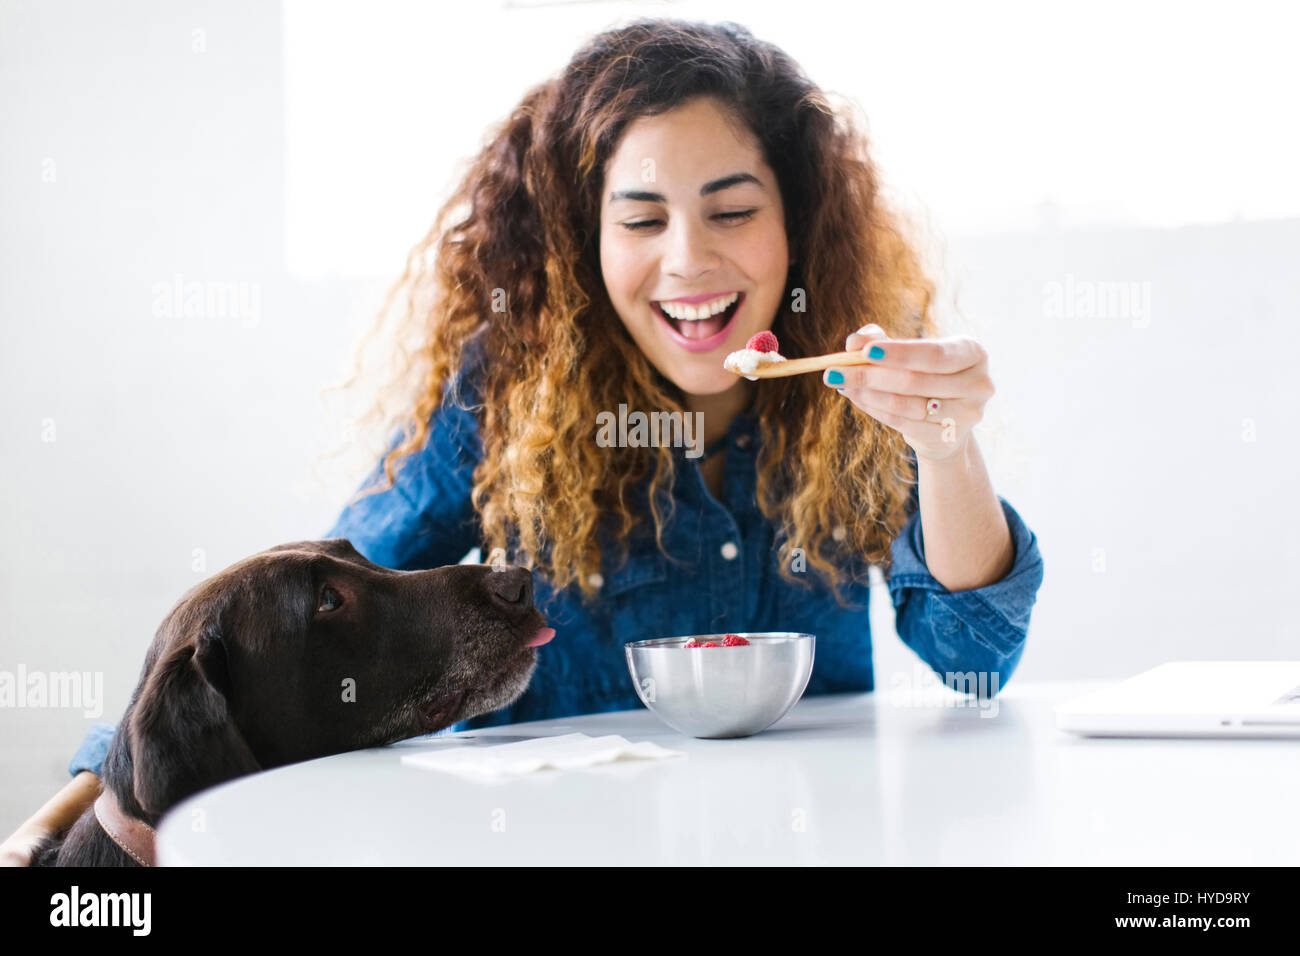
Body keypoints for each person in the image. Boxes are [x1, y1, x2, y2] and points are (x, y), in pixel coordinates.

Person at [4, 18, 1043, 863]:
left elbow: (973, 660)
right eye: (640, 221)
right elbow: (302, 633)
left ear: (798, 223)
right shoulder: (504, 408)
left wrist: (946, 446)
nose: (689, 260)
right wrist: (68, 824)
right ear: (583, 245)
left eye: (731, 210)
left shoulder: (851, 394)